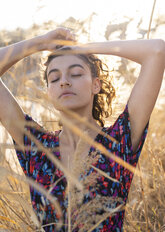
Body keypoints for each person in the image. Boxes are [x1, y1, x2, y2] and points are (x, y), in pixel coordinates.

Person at [0, 27, 164, 232]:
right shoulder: (37, 147)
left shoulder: (118, 140)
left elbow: (157, 50)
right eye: (54, 78)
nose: (64, 81)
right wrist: (40, 43)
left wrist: (83, 47)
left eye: (76, 73)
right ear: (49, 91)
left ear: (96, 85)